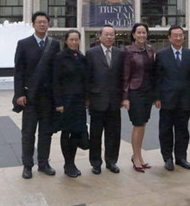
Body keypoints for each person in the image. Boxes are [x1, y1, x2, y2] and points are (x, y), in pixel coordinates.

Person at [12, 11, 60, 179]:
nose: (41, 24)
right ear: (33, 24)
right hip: (30, 97)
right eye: (38, 22)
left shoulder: (54, 45)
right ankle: (27, 165)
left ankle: (43, 163)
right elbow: (18, 72)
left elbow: (57, 72)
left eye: (44, 22)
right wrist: (19, 94)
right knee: (28, 133)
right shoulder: (23, 44)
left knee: (46, 133)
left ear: (48, 24)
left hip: (48, 98)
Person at [154, 25, 190, 171]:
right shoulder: (161, 55)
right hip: (167, 99)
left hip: (185, 99)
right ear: (169, 38)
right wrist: (157, 97)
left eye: (181, 35)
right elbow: (157, 78)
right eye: (175, 35)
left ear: (184, 37)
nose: (178, 38)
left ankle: (181, 157)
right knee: (165, 130)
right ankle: (167, 158)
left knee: (182, 130)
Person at [85, 25, 124, 174]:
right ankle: (96, 162)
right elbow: (87, 77)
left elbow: (122, 77)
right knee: (95, 134)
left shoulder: (120, 54)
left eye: (112, 35)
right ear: (99, 36)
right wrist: (87, 98)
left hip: (114, 101)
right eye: (106, 35)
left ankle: (111, 161)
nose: (109, 37)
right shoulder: (91, 53)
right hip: (97, 101)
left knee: (113, 134)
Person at [53, 29, 89, 178]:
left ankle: (72, 162)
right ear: (66, 41)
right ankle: (67, 163)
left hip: (79, 101)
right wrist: (58, 102)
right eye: (72, 39)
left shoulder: (81, 57)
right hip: (65, 101)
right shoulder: (59, 57)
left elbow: (85, 80)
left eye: (77, 39)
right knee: (66, 132)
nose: (74, 42)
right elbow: (55, 81)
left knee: (76, 132)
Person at [122, 23, 155, 172]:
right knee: (138, 124)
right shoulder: (128, 51)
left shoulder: (150, 50)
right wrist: (125, 97)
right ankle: (135, 157)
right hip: (135, 92)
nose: (142, 35)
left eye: (144, 32)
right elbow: (125, 76)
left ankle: (139, 155)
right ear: (134, 35)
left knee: (143, 123)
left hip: (148, 92)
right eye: (139, 33)